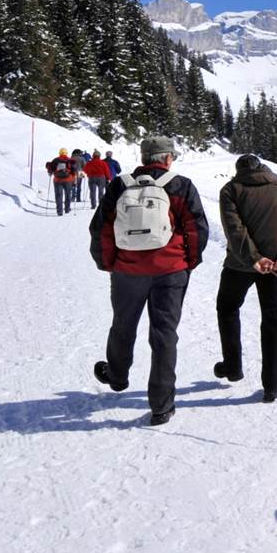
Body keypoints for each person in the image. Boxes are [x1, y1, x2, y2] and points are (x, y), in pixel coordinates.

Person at [89, 136, 209, 425]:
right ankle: (161, 405)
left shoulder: (121, 184)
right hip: (170, 271)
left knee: (123, 323)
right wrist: (187, 263)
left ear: (144, 158)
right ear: (167, 158)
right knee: (164, 334)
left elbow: (101, 228)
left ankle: (117, 376)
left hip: (127, 271)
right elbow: (196, 229)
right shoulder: (181, 185)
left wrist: (108, 263)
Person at [215, 153, 277, 403]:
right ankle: (272, 385)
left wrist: (254, 258)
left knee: (227, 307)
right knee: (272, 318)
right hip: (276, 265)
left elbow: (234, 229)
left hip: (239, 264)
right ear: (263, 167)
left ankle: (233, 366)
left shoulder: (231, 190)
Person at [46, 148, 78, 216]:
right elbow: (74, 171)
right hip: (68, 180)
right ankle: (67, 209)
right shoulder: (70, 160)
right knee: (68, 195)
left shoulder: (55, 160)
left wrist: (50, 173)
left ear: (59, 153)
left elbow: (50, 169)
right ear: (66, 153)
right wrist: (74, 180)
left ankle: (59, 211)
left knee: (58, 196)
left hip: (57, 180)